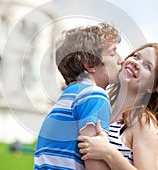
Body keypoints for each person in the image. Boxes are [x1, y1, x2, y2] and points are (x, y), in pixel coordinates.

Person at [34, 23, 123, 170]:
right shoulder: (95, 96)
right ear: (90, 65)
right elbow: (95, 165)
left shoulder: (69, 97)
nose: (121, 60)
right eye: (113, 53)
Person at [78, 43, 158, 170]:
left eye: (147, 66)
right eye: (136, 57)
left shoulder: (144, 121)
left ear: (153, 87)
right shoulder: (102, 109)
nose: (136, 63)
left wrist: (109, 153)